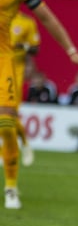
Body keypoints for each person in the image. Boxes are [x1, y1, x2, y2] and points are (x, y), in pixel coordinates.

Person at [0, 0, 78, 210]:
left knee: (5, 125)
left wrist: (71, 50)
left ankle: (11, 187)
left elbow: (48, 18)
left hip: (4, 62)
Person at [9, 12, 40, 166]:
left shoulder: (26, 23)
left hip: (14, 73)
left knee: (9, 113)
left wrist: (22, 45)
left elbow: (35, 49)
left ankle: (23, 145)